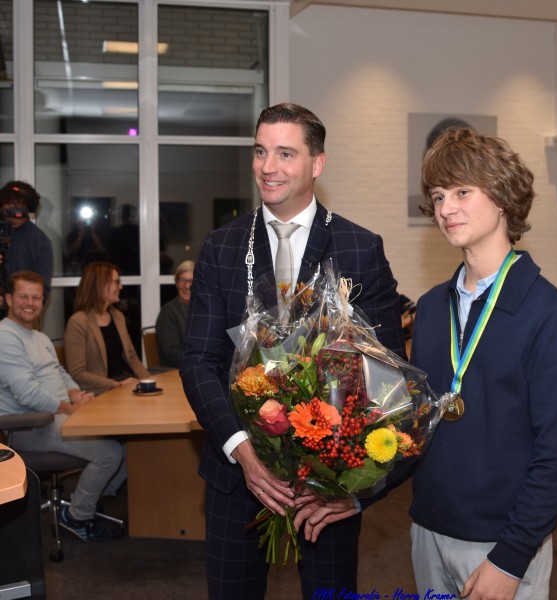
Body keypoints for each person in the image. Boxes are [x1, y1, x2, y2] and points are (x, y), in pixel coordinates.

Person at [179, 102, 405, 600]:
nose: (267, 166)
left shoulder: (359, 247)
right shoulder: (222, 246)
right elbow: (198, 361)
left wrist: (354, 480)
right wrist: (243, 452)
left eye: (285, 153)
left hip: (329, 478)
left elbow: (389, 375)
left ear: (316, 164)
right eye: (261, 151)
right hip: (238, 478)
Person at [409, 128, 557, 599]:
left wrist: (509, 560)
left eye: (463, 191)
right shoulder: (430, 309)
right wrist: (351, 490)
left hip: (503, 546)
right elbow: (415, 429)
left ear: (504, 198)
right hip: (427, 532)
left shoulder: (552, 314)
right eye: (438, 195)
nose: (446, 208)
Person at [0, 271, 125, 543]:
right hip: (30, 425)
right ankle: (77, 516)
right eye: (24, 296)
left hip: (59, 414)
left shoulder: (40, 337)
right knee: (111, 452)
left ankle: (88, 499)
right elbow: (26, 394)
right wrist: (70, 407)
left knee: (124, 441)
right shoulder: (5, 337)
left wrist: (74, 393)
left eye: (37, 297)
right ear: (8, 299)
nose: (31, 303)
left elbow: (62, 372)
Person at [64, 262, 150, 395]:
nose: (120, 287)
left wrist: (149, 381)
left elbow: (132, 357)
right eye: (116, 282)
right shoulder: (78, 322)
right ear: (101, 285)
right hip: (102, 391)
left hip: (127, 385)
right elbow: (78, 373)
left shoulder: (118, 316)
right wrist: (116, 385)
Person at [0, 181, 54, 315]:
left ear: (28, 208)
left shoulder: (39, 241)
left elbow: (42, 290)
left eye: (17, 204)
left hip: (20, 318)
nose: (11, 208)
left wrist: (9, 302)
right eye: (8, 204)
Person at [155, 260, 194, 368]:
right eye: (182, 280)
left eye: (191, 281)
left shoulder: (205, 310)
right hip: (176, 372)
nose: (187, 286)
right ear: (177, 283)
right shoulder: (168, 313)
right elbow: (172, 354)